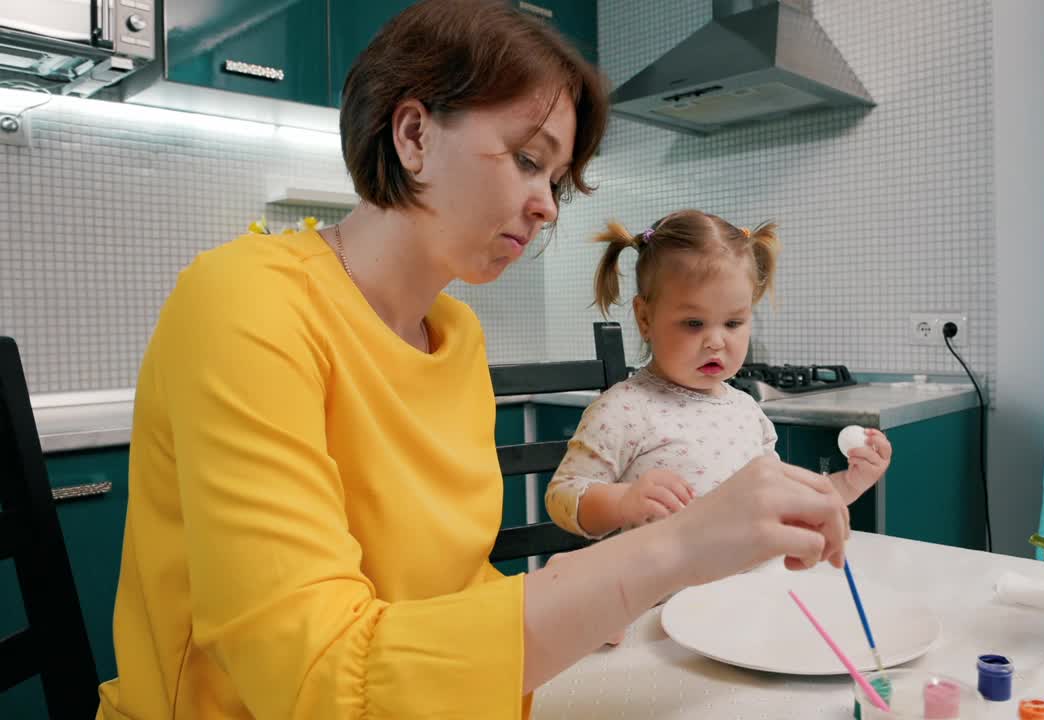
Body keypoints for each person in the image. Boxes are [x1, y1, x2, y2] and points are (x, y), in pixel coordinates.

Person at [97, 2, 853, 718]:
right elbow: (315, 682)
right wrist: (665, 552)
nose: (550, 204)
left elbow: (449, 588)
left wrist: (587, 606)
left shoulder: (455, 335)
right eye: (528, 159)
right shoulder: (244, 303)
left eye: (554, 179)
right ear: (414, 134)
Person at [546, 212, 892, 543]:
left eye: (733, 323)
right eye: (694, 323)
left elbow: (783, 501)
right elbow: (562, 495)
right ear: (645, 318)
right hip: (665, 600)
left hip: (747, 593)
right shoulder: (624, 409)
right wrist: (622, 501)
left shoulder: (745, 409)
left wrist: (850, 482)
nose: (716, 341)